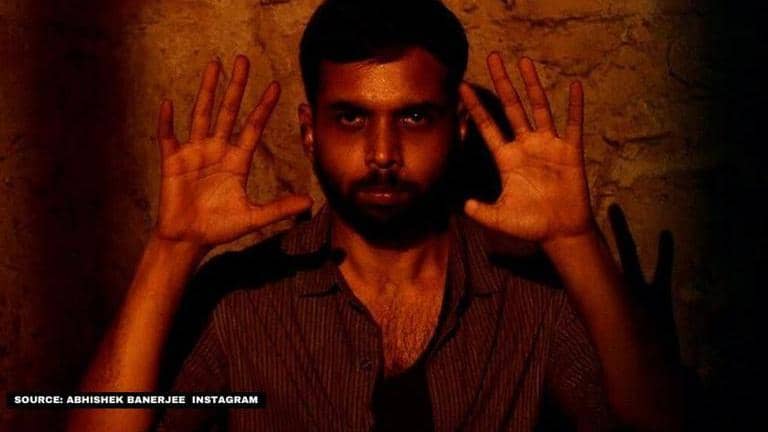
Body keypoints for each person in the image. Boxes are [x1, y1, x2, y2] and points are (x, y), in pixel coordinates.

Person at [67, 0, 683, 431]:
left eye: (413, 117)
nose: (382, 154)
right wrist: (172, 249)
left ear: (457, 128)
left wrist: (574, 240)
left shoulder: (529, 293)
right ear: (309, 131)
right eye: (351, 118)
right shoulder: (242, 300)